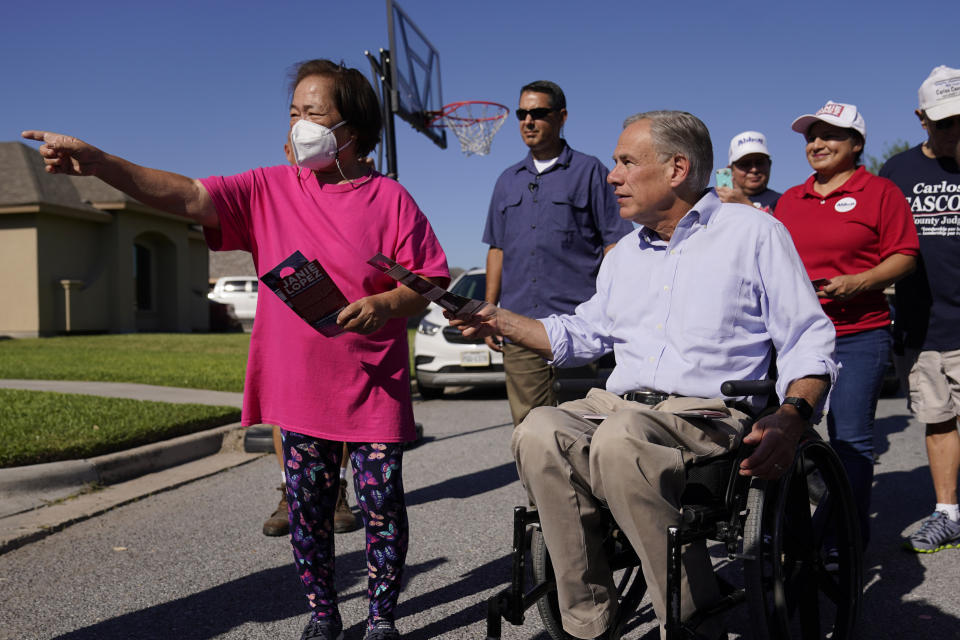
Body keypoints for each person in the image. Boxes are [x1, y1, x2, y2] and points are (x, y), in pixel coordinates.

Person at [23, 58, 449, 640]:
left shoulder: (391, 199)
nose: (299, 124)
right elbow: (184, 193)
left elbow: (429, 282)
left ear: (351, 128)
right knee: (307, 510)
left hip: (373, 382)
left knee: (381, 504)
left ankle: (381, 621)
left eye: (313, 112)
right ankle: (323, 617)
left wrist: (385, 305)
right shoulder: (267, 188)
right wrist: (101, 164)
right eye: (294, 111)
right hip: (300, 387)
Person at [451, 110, 837, 640]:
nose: (613, 176)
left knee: (619, 440)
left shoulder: (753, 232)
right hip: (622, 407)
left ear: (677, 168)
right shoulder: (624, 255)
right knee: (539, 429)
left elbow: (807, 337)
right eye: (615, 164)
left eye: (627, 162)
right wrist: (497, 318)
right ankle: (588, 621)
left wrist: (793, 416)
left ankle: (690, 613)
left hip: (707, 413)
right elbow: (581, 334)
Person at [775, 100, 919, 548]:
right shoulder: (790, 200)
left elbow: (905, 256)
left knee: (851, 439)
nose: (817, 144)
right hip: (796, 339)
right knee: (789, 432)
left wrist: (861, 282)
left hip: (858, 334)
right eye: (810, 137)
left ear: (856, 144)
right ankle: (798, 531)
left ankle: (844, 540)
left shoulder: (880, 193)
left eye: (829, 135)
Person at [482, 80, 633, 426]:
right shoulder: (507, 180)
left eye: (539, 113)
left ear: (561, 116)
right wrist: (489, 310)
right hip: (520, 325)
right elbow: (497, 248)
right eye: (522, 113)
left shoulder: (591, 171)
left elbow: (615, 242)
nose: (528, 121)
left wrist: (612, 302)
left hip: (578, 325)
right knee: (529, 427)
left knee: (582, 426)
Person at [879, 65, 960, 553]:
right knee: (939, 419)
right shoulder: (897, 172)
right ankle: (948, 512)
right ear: (921, 118)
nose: (955, 131)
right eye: (945, 121)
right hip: (923, 326)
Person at [262, 140, 360, 539]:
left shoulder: (350, 187)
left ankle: (335, 487)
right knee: (284, 405)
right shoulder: (277, 191)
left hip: (339, 309)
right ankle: (290, 490)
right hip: (290, 310)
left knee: (340, 404)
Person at [715, 130, 780, 213]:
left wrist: (745, 204)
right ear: (731, 170)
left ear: (769, 164)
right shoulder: (714, 202)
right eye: (745, 164)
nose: (754, 169)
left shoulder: (784, 201)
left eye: (759, 162)